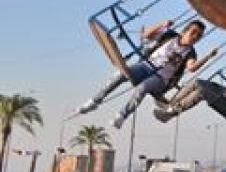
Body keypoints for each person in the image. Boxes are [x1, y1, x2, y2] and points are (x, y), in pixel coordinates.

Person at [89, 20, 217, 129]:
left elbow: (191, 67)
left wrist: (208, 57)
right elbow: (146, 35)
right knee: (121, 74)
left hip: (161, 79)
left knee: (143, 87)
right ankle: (95, 100)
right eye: (193, 32)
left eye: (198, 36)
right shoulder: (170, 35)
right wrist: (162, 25)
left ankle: (122, 115)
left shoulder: (191, 53)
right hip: (146, 66)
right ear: (185, 31)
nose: (195, 37)